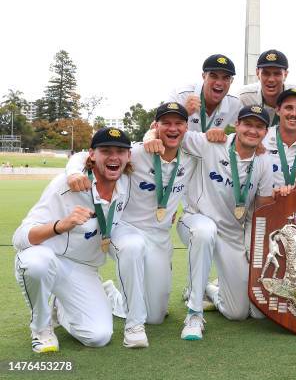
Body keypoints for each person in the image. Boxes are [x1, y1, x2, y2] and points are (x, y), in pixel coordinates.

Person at [66, 103, 201, 347]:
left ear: (185, 127)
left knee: (157, 316)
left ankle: (111, 294)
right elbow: (82, 155)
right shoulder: (136, 152)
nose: (172, 128)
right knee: (133, 247)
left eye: (178, 123)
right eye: (165, 123)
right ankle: (133, 325)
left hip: (160, 236)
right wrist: (74, 172)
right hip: (126, 229)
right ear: (155, 126)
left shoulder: (191, 158)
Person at [147, 105, 274, 320]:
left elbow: (261, 212)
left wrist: (253, 248)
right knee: (205, 232)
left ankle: (209, 290)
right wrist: (150, 135)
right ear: (237, 125)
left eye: (259, 127)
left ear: (265, 132)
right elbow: (170, 131)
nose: (253, 131)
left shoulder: (264, 161)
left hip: (232, 234)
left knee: (239, 313)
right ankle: (194, 309)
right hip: (196, 220)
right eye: (247, 125)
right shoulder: (211, 142)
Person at [13, 127, 132, 353]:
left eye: (120, 151)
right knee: (36, 265)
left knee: (99, 337)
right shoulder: (65, 184)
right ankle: (41, 327)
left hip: (84, 269)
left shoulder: (127, 184)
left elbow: (159, 142)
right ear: (92, 155)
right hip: (49, 258)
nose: (114, 157)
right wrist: (61, 225)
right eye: (105, 151)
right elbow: (20, 238)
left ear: (128, 156)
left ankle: (62, 307)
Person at [239, 50, 296, 127]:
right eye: (266, 73)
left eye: (277, 74)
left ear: (285, 75)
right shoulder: (245, 97)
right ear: (257, 73)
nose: (271, 79)